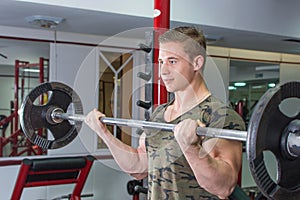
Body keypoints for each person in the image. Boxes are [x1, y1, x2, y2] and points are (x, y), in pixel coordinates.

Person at [85, 26, 246, 199]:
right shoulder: (160, 113)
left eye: (172, 61)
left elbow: (223, 187)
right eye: (161, 62)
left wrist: (191, 147)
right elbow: (139, 167)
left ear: (197, 63)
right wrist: (103, 133)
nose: (163, 71)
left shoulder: (220, 116)